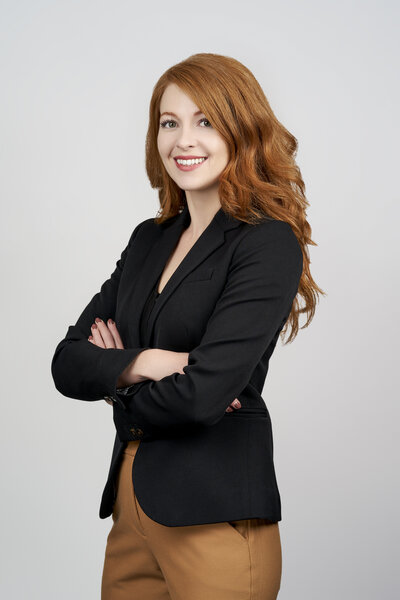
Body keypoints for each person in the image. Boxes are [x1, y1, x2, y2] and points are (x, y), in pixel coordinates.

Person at [51, 53, 323, 600]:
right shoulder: (148, 240)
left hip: (212, 512)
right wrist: (149, 362)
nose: (183, 140)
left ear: (241, 128)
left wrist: (116, 380)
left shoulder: (265, 243)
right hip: (131, 507)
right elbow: (67, 362)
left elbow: (202, 397)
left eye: (204, 121)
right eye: (169, 122)